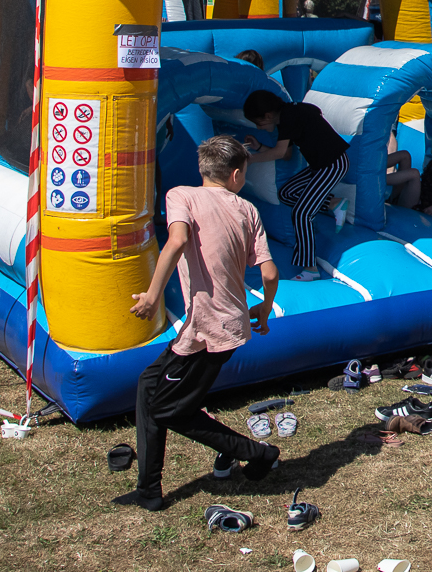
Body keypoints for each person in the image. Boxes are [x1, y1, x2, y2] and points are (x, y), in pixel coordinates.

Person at [118, 135, 280, 511]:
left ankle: (259, 453)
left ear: (203, 168)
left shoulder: (181, 195)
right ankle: (148, 489)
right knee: (150, 387)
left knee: (168, 409)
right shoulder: (247, 210)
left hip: (209, 330)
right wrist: (265, 308)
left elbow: (175, 242)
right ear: (237, 174)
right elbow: (270, 273)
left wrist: (152, 296)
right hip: (225, 323)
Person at [240, 90, 350, 281]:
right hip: (320, 166)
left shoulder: (290, 115)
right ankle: (334, 204)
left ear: (267, 115)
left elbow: (279, 152)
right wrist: (258, 147)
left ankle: (310, 269)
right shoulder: (288, 116)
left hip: (333, 164)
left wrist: (250, 160)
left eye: (259, 123)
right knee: (287, 192)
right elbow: (285, 154)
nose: (260, 127)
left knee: (301, 213)